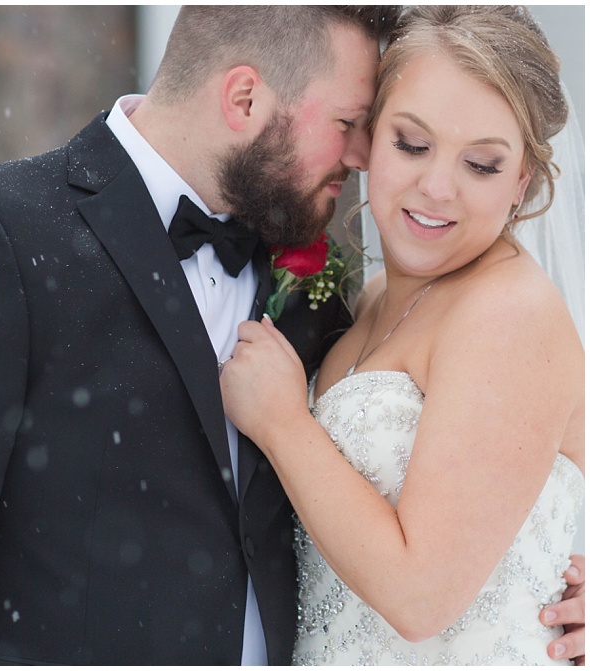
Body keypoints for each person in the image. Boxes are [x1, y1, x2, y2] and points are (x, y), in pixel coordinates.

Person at [0, 6, 585, 665]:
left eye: (481, 162)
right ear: (245, 97)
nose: (363, 159)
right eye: (358, 128)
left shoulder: (316, 271)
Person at [220, 5, 585, 665]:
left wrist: (282, 421)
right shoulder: (372, 298)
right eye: (411, 144)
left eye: (481, 164)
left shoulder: (511, 311)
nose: (436, 187)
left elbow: (421, 597)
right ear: (369, 137)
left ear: (522, 181)